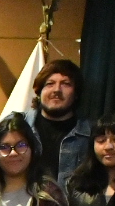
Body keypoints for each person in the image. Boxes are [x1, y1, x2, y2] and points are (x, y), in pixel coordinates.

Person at [29, 59, 91, 187]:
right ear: (39, 92)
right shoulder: (16, 126)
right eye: (50, 84)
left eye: (66, 84)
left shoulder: (92, 134)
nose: (57, 90)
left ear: (76, 94)